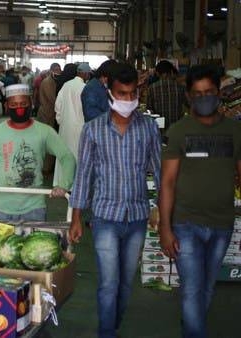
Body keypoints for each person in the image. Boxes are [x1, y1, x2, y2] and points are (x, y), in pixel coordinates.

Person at [69, 63, 161, 338]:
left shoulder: (148, 129)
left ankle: (114, 324)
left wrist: (160, 210)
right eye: (122, 94)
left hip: (136, 217)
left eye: (132, 94)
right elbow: (83, 175)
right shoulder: (94, 130)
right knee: (109, 283)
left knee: (125, 284)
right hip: (105, 217)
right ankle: (106, 333)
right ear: (110, 93)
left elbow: (159, 171)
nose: (127, 100)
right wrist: (76, 217)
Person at [159, 65, 241, 338]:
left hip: (222, 224)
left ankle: (191, 328)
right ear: (188, 96)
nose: (204, 98)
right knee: (193, 289)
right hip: (186, 223)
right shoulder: (180, 131)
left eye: (209, 92)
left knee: (206, 289)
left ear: (219, 93)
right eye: (198, 94)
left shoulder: (234, 131)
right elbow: (167, 182)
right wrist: (165, 228)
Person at [0, 84, 75, 226]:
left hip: (34, 207)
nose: (19, 108)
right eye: (14, 104)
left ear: (30, 104)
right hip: (2, 206)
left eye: (23, 103)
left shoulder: (45, 131)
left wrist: (63, 185)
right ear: (7, 106)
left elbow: (67, 157)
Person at [53, 63, 91, 187]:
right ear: (84, 73)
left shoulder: (66, 85)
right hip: (79, 126)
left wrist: (61, 121)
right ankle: (75, 185)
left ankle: (62, 183)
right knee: (77, 155)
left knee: (64, 154)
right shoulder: (84, 88)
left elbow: (58, 105)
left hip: (65, 127)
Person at [147, 60, 187, 129]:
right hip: (177, 127)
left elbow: (149, 109)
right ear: (171, 72)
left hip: (160, 127)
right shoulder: (180, 87)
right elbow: (188, 104)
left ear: (157, 73)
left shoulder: (152, 88)